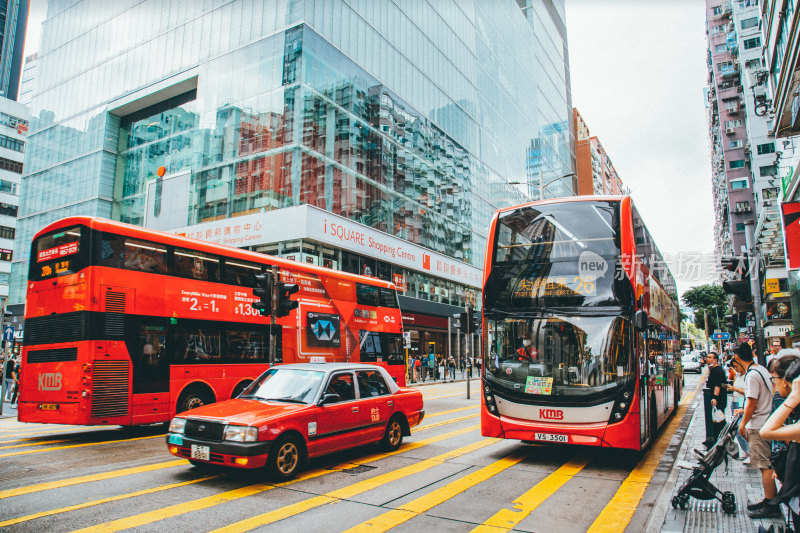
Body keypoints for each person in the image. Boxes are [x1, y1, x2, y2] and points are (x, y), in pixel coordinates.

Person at [732, 341, 780, 518]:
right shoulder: (761, 369)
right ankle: (769, 499)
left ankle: (770, 505)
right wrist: (744, 410)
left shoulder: (751, 375)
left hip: (758, 424)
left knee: (764, 466)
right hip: (765, 421)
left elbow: (752, 401)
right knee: (766, 464)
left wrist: (743, 423)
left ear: (737, 357)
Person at [705, 352, 728, 445]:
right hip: (719, 399)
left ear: (715, 360)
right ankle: (718, 439)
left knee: (719, 421)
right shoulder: (715, 369)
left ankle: (720, 440)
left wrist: (715, 398)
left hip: (719, 399)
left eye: (710, 357)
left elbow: (717, 385)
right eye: (707, 357)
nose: (707, 359)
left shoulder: (716, 370)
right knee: (718, 420)